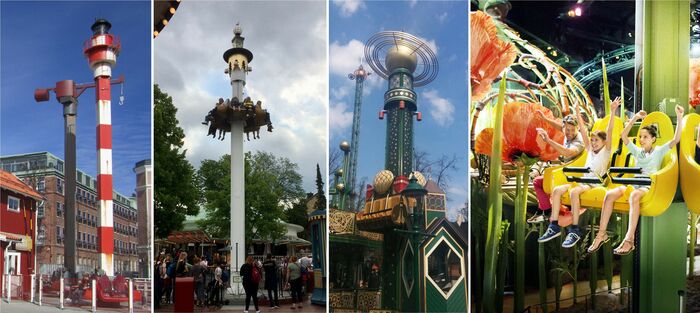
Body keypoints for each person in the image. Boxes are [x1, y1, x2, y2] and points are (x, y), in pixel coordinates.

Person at [588, 105, 685, 255]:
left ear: (653, 139)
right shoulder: (637, 151)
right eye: (640, 136)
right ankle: (601, 234)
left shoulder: (659, 151)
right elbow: (623, 135)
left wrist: (679, 117)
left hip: (648, 185)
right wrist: (635, 118)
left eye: (645, 137)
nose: (641, 139)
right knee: (609, 195)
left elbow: (676, 139)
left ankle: (629, 240)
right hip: (634, 183)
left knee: (634, 196)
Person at [538, 98, 619, 248]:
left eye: (596, 141)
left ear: (603, 142)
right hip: (582, 181)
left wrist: (613, 111)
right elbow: (581, 129)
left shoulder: (606, 152)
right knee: (556, 191)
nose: (593, 143)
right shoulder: (589, 149)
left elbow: (610, 130)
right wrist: (575, 111)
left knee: (574, 192)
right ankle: (554, 225)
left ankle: (574, 230)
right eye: (592, 140)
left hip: (594, 183)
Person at [528, 110, 587, 223]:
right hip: (567, 171)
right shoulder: (567, 131)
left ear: (578, 129)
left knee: (538, 182)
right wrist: (545, 119)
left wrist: (548, 140)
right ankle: (543, 211)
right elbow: (561, 127)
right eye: (566, 130)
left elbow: (568, 152)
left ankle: (546, 211)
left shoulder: (578, 141)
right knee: (541, 179)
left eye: (571, 130)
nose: (568, 132)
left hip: (573, 176)